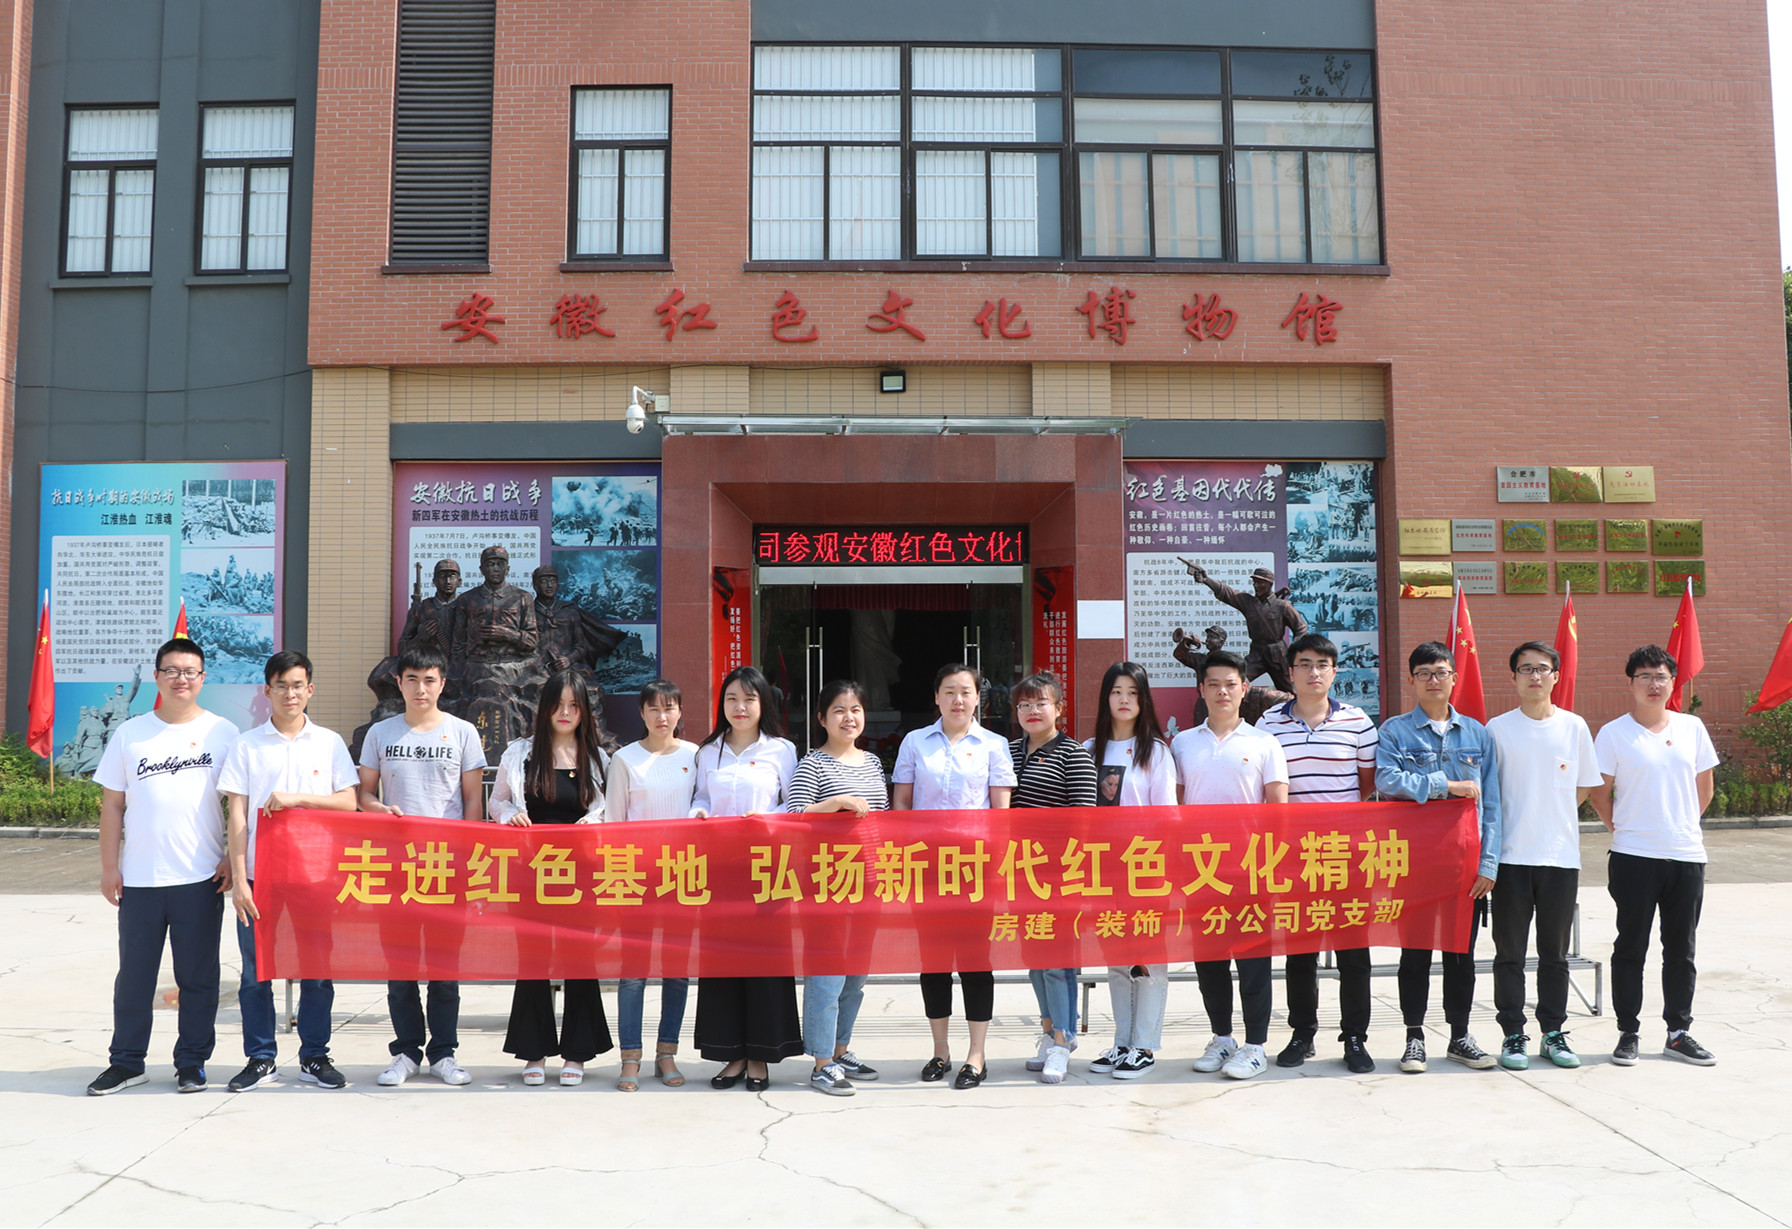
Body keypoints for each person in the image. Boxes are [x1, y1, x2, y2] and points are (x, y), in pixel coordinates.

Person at [86, 638, 240, 1096]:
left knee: (198, 979)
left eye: (190, 671)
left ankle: (191, 1063)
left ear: (203, 678)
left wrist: (232, 857)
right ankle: (126, 1062)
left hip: (200, 878)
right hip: (140, 879)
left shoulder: (223, 733)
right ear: (156, 677)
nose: (181, 679)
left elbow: (240, 804)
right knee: (134, 978)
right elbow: (112, 805)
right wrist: (109, 867)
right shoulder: (131, 733)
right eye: (171, 671)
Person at [218, 651, 359, 1092]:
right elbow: (237, 815)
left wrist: (297, 799)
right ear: (268, 691)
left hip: (315, 877)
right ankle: (261, 1058)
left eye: (297, 685)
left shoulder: (329, 743)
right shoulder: (247, 745)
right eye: (281, 686)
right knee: (255, 972)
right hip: (260, 877)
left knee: (316, 969)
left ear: (310, 690)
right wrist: (239, 880)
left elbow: (348, 802)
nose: (290, 694)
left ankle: (315, 1056)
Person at [357, 647, 487, 1088]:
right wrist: (378, 809)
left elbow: (473, 801)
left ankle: (444, 1053)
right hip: (396, 867)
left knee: (445, 971)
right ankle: (406, 1052)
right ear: (399, 682)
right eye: (411, 679)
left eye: (429, 679)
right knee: (400, 969)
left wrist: (472, 864)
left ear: (442, 684)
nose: (420, 688)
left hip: (447, 867)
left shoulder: (463, 732)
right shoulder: (380, 733)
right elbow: (364, 794)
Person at [1374, 640, 1503, 1074]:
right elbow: (1387, 780)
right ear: (1412, 680)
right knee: (1414, 955)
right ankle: (1414, 1038)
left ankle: (1460, 1036)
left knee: (1460, 956)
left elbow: (1493, 805)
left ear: (1453, 678)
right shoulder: (1395, 731)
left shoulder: (1478, 734)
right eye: (1424, 673)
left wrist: (1488, 864)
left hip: (1464, 866)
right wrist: (1445, 785)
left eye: (1441, 672)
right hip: (1412, 863)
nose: (1433, 680)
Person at [1255, 633, 1380, 1075]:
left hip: (1346, 855)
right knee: (1300, 954)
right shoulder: (1268, 724)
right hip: (1294, 858)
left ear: (1334, 671)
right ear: (1290, 672)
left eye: (1323, 664)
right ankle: (1302, 1033)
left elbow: (1367, 786)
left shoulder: (1358, 722)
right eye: (1305, 664)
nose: (1314, 672)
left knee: (1354, 954)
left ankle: (1355, 1037)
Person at [1590, 645, 1721, 1067]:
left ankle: (1678, 1033)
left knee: (1681, 949)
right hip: (1633, 856)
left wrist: (1677, 826)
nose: (1653, 684)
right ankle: (1628, 1032)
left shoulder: (1692, 728)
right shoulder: (1614, 733)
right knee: (1631, 946)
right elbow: (1599, 794)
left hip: (1685, 855)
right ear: (1630, 683)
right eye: (1644, 676)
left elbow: (1704, 789)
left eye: (1660, 676)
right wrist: (1625, 829)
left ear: (1672, 683)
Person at [490, 670, 617, 1086]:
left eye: (574, 706)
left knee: (580, 959)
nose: (565, 713)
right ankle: (534, 1050)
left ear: (584, 711)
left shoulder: (599, 760)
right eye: (558, 705)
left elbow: (609, 811)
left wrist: (591, 823)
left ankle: (577, 1052)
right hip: (531, 873)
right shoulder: (520, 754)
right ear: (544, 708)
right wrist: (511, 815)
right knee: (533, 960)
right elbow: (497, 802)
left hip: (580, 874)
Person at [892, 663, 1016, 1089]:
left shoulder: (994, 745)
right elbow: (901, 804)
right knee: (934, 962)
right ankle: (940, 1050)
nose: (957, 700)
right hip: (927, 867)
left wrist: (997, 869)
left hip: (976, 868)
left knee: (976, 961)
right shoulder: (915, 742)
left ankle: (976, 1054)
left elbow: (1001, 815)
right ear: (936, 697)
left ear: (978, 697)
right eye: (949, 691)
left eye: (966, 691)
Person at [1172, 650, 1290, 1081]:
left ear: (1245, 688)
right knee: (1210, 962)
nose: (1222, 691)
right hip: (1201, 870)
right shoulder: (1183, 743)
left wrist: (1273, 865)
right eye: (1213, 684)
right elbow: (1176, 807)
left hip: (1251, 869)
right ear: (1201, 690)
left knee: (1254, 962)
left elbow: (1278, 808)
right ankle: (1222, 1037)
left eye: (1230, 684)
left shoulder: (1263, 742)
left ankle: (1255, 1045)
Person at [1485, 641, 1603, 1071]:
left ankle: (1553, 1033)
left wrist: (1553, 817)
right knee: (1509, 955)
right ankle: (1513, 1034)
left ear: (1555, 676)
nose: (1534, 676)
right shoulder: (1497, 729)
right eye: (1525, 669)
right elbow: (1490, 792)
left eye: (1542, 668)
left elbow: (1584, 785)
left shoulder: (1574, 726)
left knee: (1555, 955)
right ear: (1513, 677)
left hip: (1559, 858)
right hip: (1510, 859)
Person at [690, 666, 803, 1090]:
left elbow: (794, 805)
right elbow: (700, 797)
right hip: (720, 869)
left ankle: (761, 1055)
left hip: (767, 869)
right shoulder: (708, 752)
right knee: (723, 964)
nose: (740, 707)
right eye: (732, 699)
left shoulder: (781, 750)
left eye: (749, 699)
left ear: (763, 704)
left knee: (765, 964)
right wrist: (699, 813)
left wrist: (768, 818)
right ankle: (732, 1054)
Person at [787, 679, 888, 1096]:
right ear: (821, 718)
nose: (849, 718)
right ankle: (821, 1062)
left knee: (855, 977)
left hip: (869, 883)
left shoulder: (873, 762)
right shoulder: (812, 764)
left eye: (856, 709)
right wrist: (834, 804)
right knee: (827, 976)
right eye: (839, 710)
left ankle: (841, 1049)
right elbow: (794, 817)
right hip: (826, 883)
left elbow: (883, 819)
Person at [1083, 662, 1179, 1080]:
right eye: (1116, 692)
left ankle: (1144, 1045)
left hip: (1145, 868)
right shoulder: (1090, 748)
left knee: (1148, 960)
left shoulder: (1155, 751)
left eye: (1133, 693)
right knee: (1117, 960)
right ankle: (1122, 1041)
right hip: (1103, 870)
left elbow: (1167, 816)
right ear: (1106, 697)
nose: (1124, 700)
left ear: (1144, 700)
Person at [603, 678, 699, 1090]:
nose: (663, 716)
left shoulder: (696, 756)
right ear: (641, 713)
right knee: (633, 973)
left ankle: (666, 1054)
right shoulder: (624, 759)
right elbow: (613, 823)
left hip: (683, 876)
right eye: (654, 708)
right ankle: (630, 1058)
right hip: (635, 878)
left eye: (669, 707)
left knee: (677, 973)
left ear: (680, 711)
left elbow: (703, 807)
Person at [1008, 671, 1098, 1085]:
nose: (1032, 711)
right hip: (1018, 872)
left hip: (1060, 875)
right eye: (1024, 704)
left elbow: (1083, 823)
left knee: (1058, 964)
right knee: (1034, 961)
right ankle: (1048, 1034)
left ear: (1059, 709)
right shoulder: (1008, 751)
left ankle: (1063, 1040)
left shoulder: (1073, 755)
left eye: (1040, 703)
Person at [1178, 561, 1309, 693]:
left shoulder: (1282, 606)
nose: (1256, 586)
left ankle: (1297, 707)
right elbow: (1227, 592)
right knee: (1236, 680)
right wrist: (1206, 580)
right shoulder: (1248, 602)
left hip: (1277, 654)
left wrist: (1293, 651)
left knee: (1291, 691)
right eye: (1255, 582)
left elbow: (1301, 628)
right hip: (1256, 654)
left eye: (1260, 582)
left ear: (1270, 584)